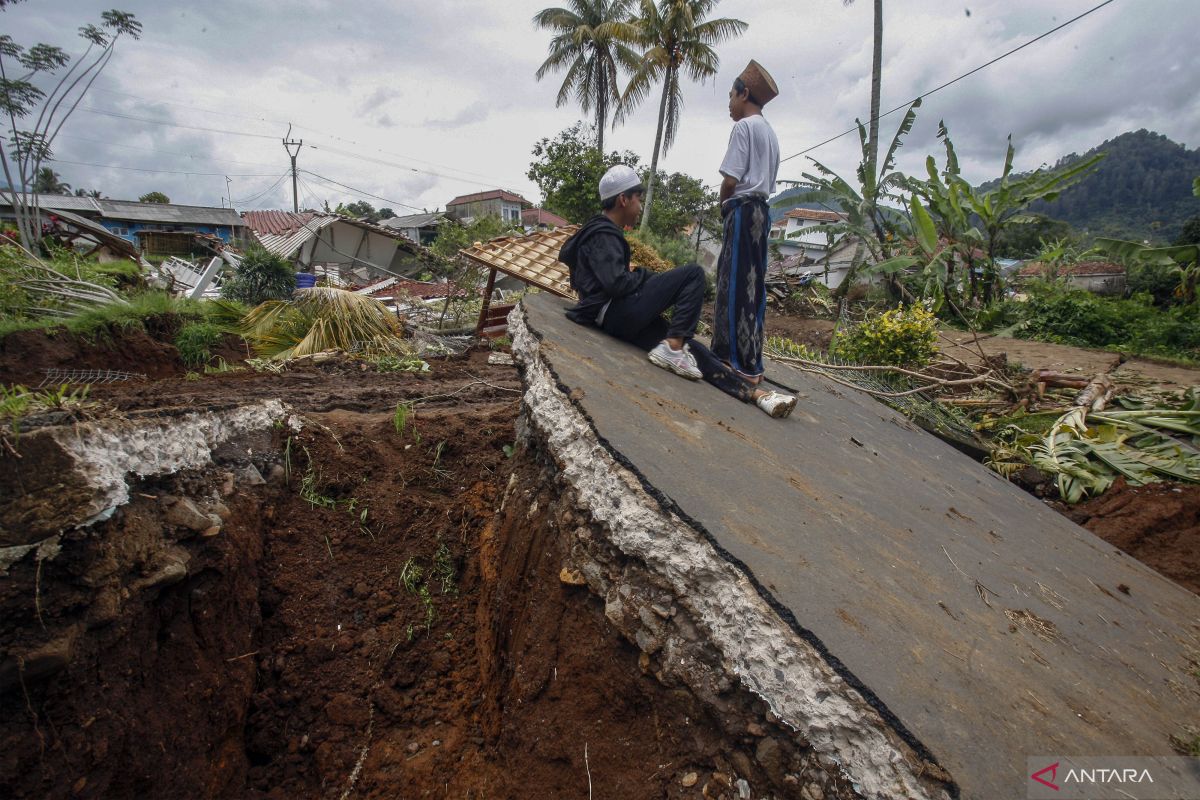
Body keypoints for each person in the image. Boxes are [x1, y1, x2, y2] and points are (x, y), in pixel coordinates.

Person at [558, 163, 797, 418]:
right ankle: (672, 348)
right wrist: (643, 275)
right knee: (693, 274)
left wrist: (638, 277)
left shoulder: (601, 234)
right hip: (615, 313)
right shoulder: (602, 234)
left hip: (617, 317)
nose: (640, 206)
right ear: (623, 200)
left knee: (692, 348)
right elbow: (617, 284)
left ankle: (759, 396)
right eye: (638, 198)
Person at [712, 59, 781, 386]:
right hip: (762, 213)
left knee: (735, 284)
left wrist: (723, 205)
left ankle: (742, 366)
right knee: (751, 286)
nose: (729, 103)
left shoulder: (744, 127)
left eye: (730, 96)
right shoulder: (770, 133)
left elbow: (731, 179)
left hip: (742, 209)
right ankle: (735, 355)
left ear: (745, 93)